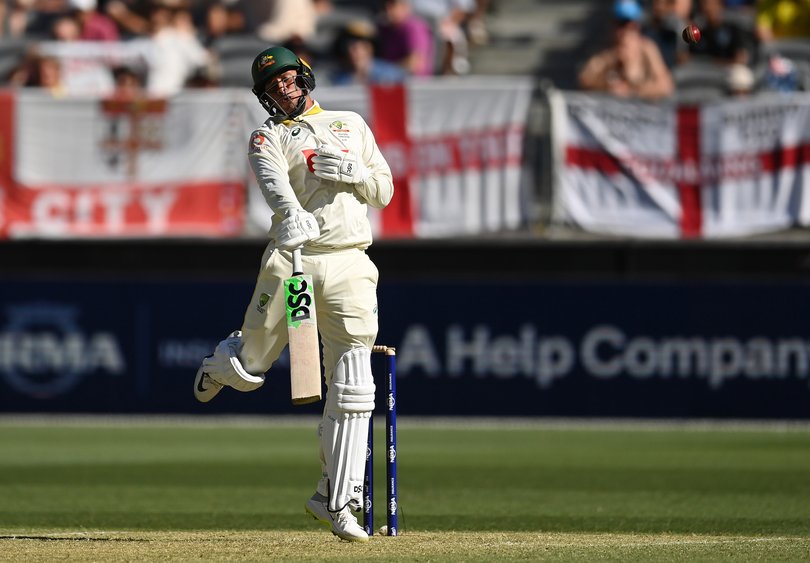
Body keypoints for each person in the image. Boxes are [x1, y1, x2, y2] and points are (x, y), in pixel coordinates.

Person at [192, 45, 393, 543]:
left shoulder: (351, 124)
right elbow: (271, 180)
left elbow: (384, 190)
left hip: (349, 261)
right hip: (293, 263)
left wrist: (353, 173)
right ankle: (220, 363)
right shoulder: (268, 135)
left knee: (352, 382)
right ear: (265, 97)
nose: (283, 89)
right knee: (250, 371)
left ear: (305, 78)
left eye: (288, 79)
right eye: (272, 86)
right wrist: (290, 213)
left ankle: (337, 498)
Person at [578, 0, 674, 100]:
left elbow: (665, 86)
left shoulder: (647, 48)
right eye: (621, 25)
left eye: (632, 26)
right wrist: (612, 58)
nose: (625, 32)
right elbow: (585, 79)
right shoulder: (608, 49)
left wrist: (632, 90)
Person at [329, 19, 407, 85]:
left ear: (371, 48)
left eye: (363, 46)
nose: (354, 52)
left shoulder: (392, 75)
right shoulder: (337, 79)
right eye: (350, 46)